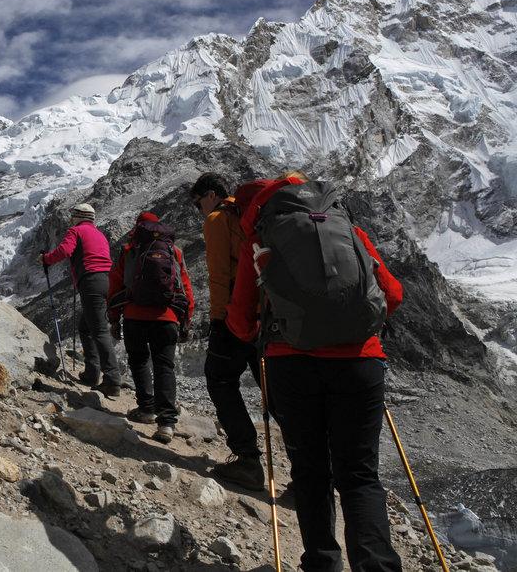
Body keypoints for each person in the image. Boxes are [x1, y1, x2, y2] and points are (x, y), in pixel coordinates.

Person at [227, 172, 403, 571]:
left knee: (310, 473)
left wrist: (271, 325)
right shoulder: (350, 230)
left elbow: (238, 320)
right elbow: (393, 294)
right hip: (361, 363)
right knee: (359, 476)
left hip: (293, 367)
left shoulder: (263, 240)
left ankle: (322, 563)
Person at [189, 172, 265, 490]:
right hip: (268, 315)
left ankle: (247, 460)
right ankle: (312, 469)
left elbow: (220, 274)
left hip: (236, 313)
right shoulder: (249, 216)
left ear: (209, 195)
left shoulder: (219, 218)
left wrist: (220, 318)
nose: (199, 210)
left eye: (198, 203)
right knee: (275, 390)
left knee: (220, 378)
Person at [107, 211, 194, 443]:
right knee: (164, 366)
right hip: (167, 317)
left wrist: (114, 318)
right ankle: (166, 423)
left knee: (139, 360)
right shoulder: (174, 251)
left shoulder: (129, 250)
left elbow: (115, 285)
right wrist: (186, 320)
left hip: (134, 315)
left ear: (138, 228)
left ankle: (146, 409)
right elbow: (185, 287)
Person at [41, 203, 120, 396]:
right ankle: (92, 373)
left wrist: (46, 259)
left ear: (77, 216)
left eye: (72, 216)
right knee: (86, 327)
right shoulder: (99, 234)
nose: (71, 219)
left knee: (99, 330)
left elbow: (65, 251)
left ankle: (112, 379)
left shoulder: (76, 231)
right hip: (107, 281)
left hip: (91, 281)